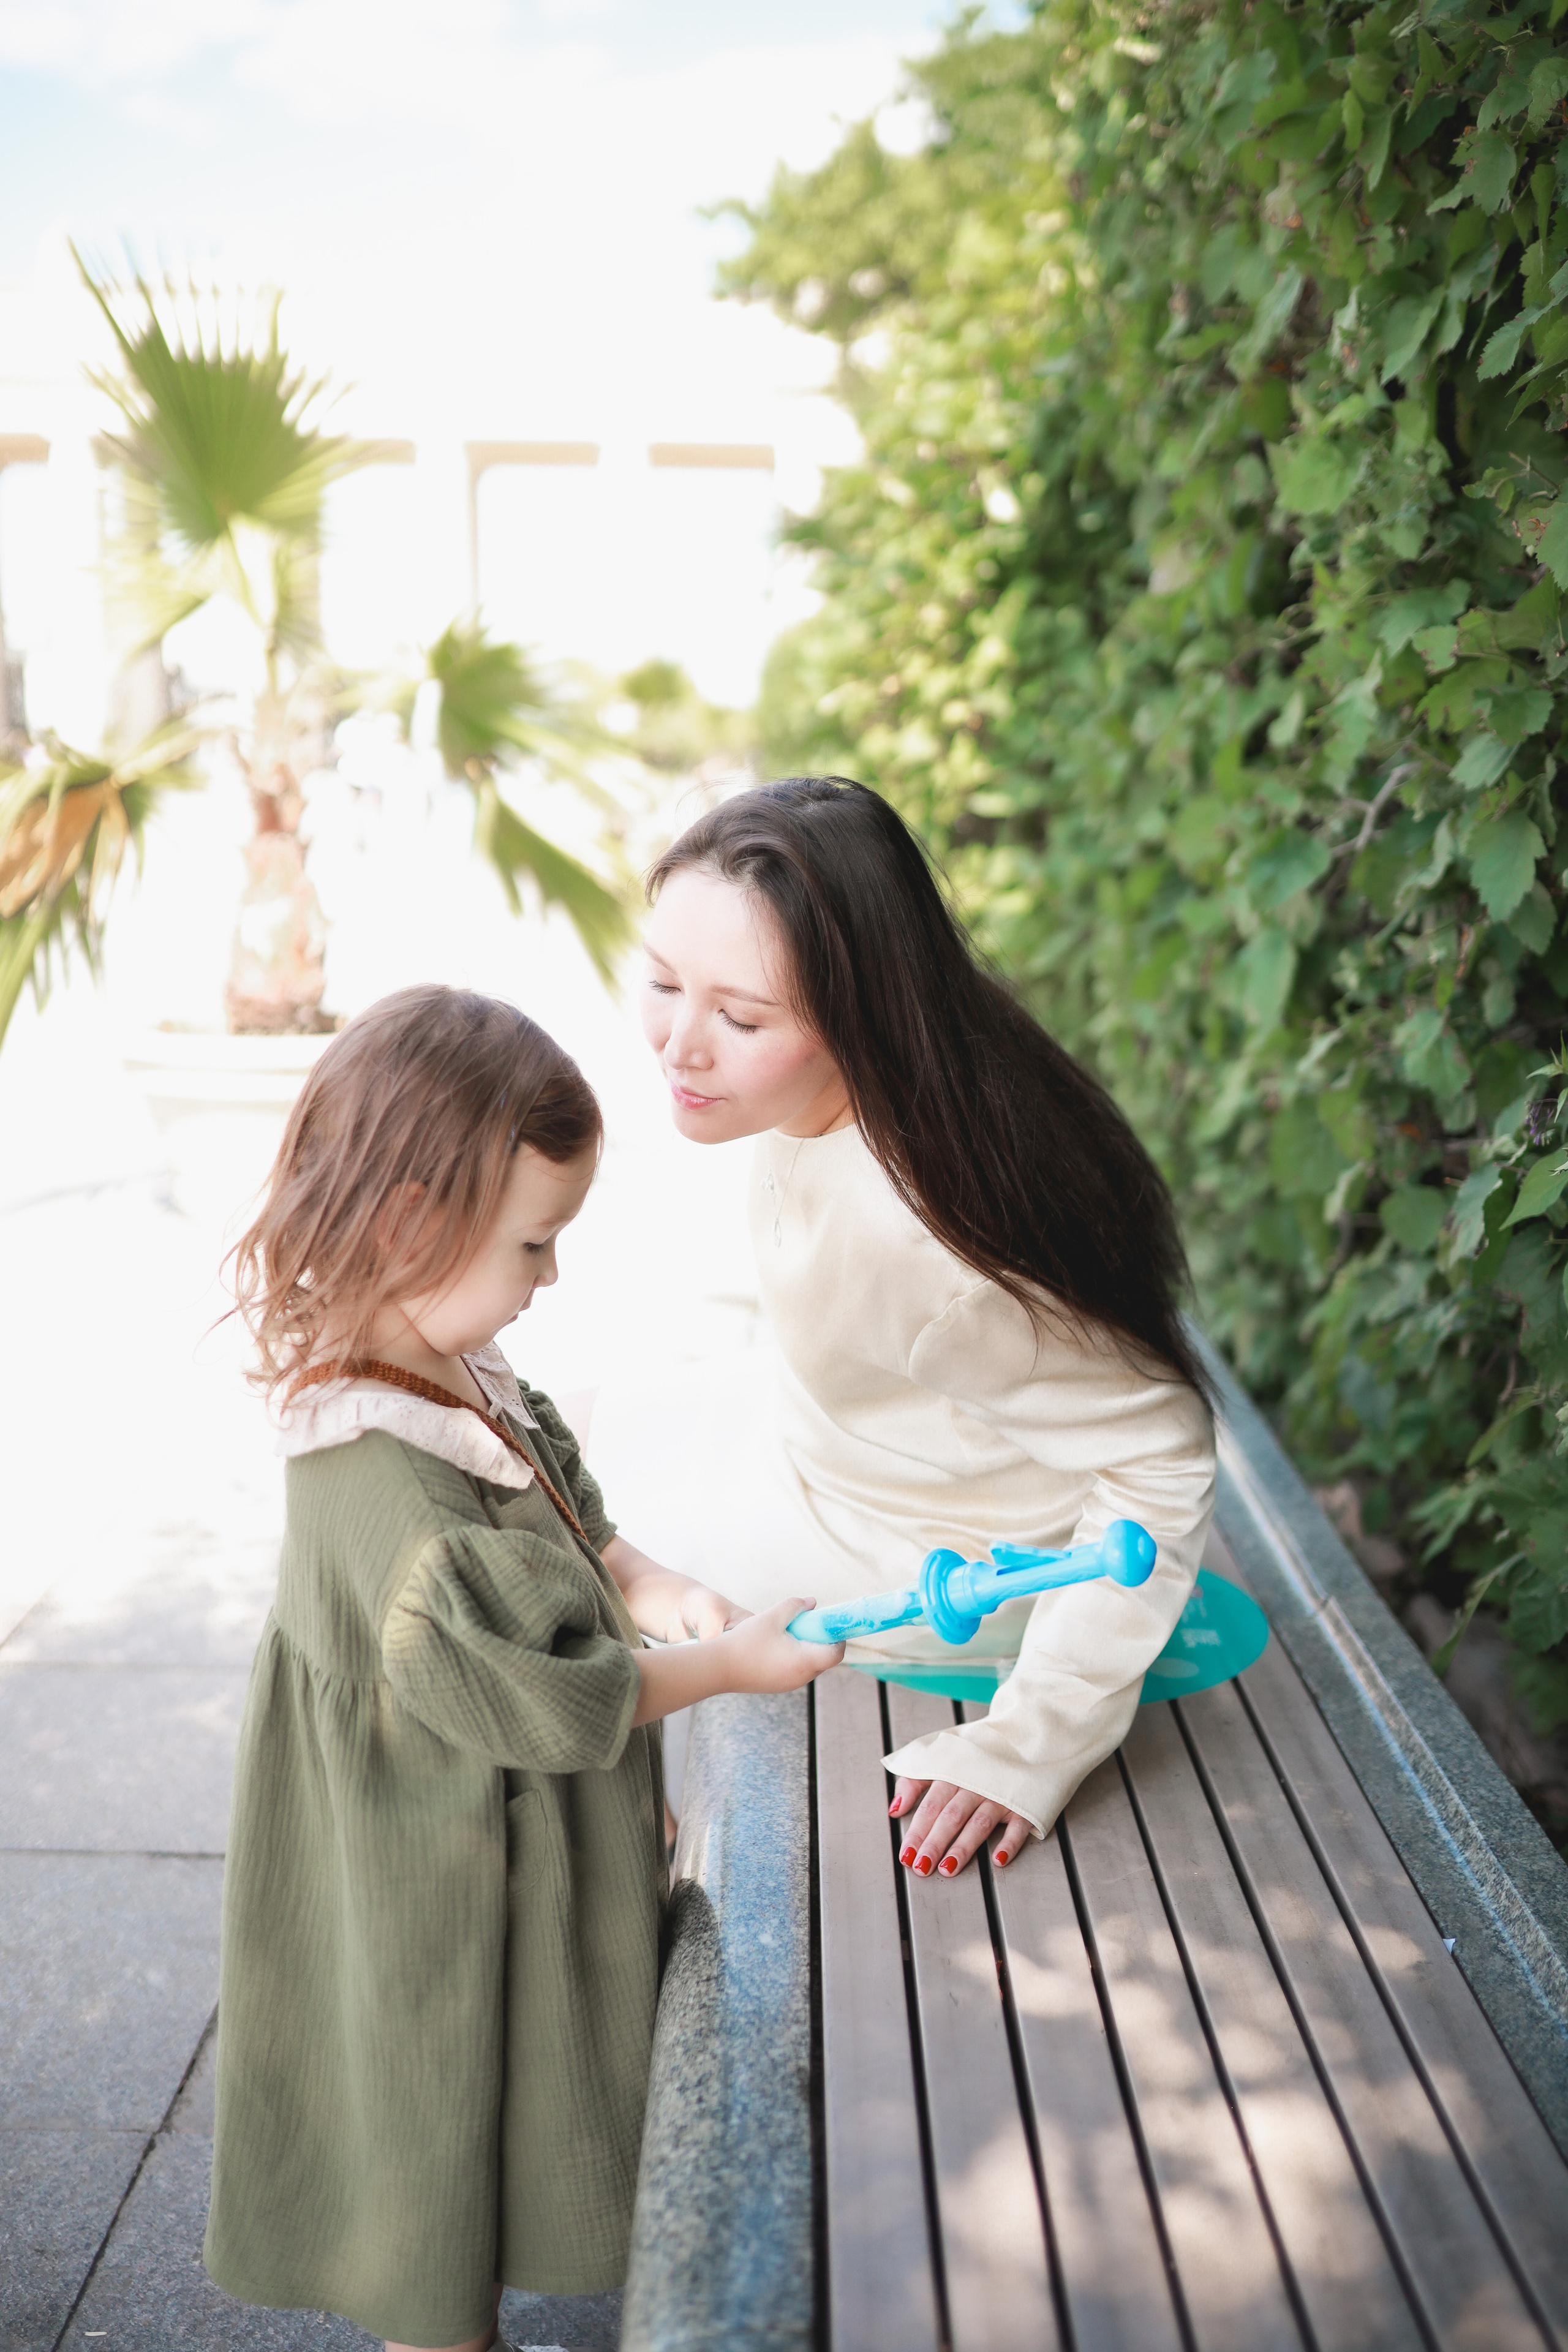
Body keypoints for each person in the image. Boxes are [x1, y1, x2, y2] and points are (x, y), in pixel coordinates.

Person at [203, 984, 841, 2352]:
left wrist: (648, 1580)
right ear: (410, 1225)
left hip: (483, 1817)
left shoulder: (447, 1360)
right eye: (534, 1243)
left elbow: (562, 1501)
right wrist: (727, 1662)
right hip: (432, 1858)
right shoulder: (385, 1490)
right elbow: (551, 1700)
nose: (548, 1277)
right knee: (437, 2106)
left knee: (494, 2098)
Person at [615, 775, 1216, 1882]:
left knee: (548, 1572)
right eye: (663, 983)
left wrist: (1032, 1740)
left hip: (927, 1562)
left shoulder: (932, 1244)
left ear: (859, 1014)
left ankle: (593, 1911)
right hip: (819, 1455)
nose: (679, 1046)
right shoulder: (876, 1080)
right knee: (555, 1465)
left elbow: (1163, 1462)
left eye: (739, 1018)